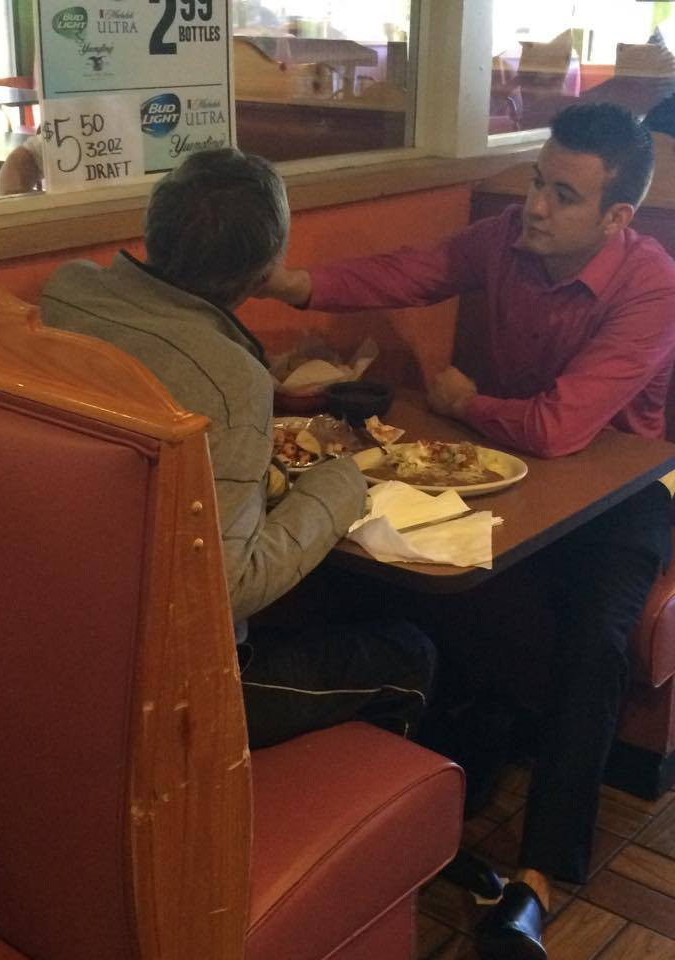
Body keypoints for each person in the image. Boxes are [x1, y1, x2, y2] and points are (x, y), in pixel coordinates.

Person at [258, 103, 675, 959]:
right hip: (509, 469)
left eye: (565, 195)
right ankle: (421, 800)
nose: (537, 206)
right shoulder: (506, 243)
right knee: (393, 567)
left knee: (595, 637)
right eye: (536, 181)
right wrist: (296, 284)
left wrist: (459, 402)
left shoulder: (652, 284)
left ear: (618, 217)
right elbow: (412, 270)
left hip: (625, 492)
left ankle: (539, 880)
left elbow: (563, 429)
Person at [40, 146, 436, 752]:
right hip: (174, 688)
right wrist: (342, 480)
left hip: (57, 639)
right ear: (263, 271)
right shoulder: (229, 381)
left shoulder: (67, 291)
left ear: (153, 224)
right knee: (409, 652)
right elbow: (230, 587)